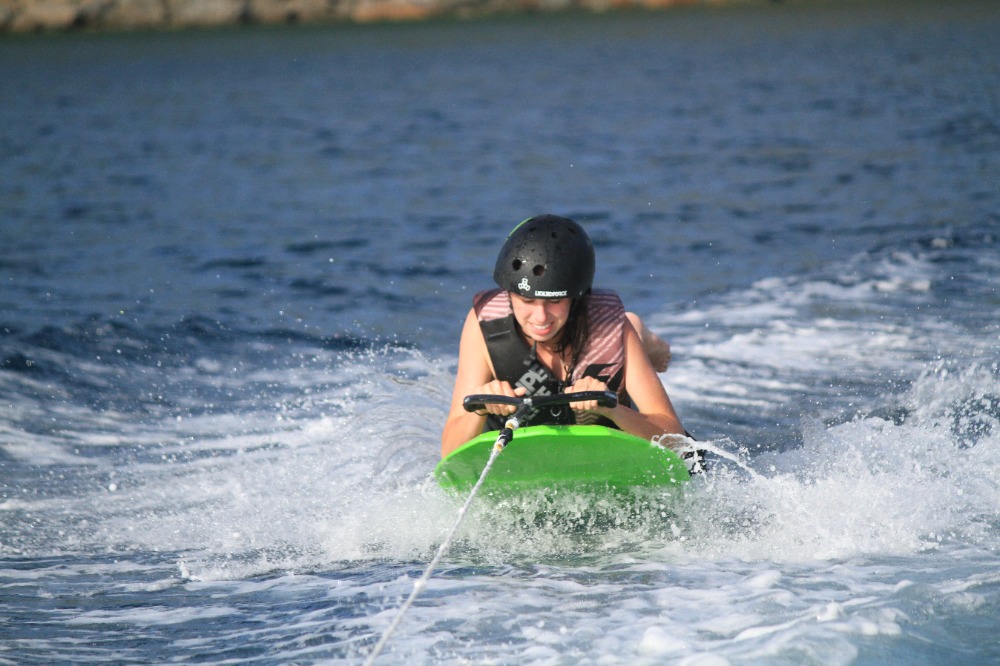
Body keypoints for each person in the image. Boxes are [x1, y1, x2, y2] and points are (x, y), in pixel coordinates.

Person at [441, 214, 685, 457]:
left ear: (575, 297)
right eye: (527, 300)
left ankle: (639, 334)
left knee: (627, 330)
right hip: (516, 438)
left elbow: (676, 441)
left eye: (555, 301)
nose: (540, 317)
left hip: (604, 416)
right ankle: (638, 332)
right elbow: (449, 451)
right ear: (509, 295)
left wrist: (611, 408)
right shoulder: (485, 324)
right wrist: (481, 408)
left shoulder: (613, 328)